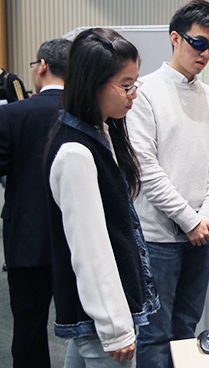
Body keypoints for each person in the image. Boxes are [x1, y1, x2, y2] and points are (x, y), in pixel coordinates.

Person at [43, 28, 158, 366]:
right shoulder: (76, 151)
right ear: (92, 81)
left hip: (97, 317)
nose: (133, 94)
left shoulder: (99, 130)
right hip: (101, 320)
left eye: (135, 83)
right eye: (125, 85)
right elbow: (90, 249)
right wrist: (116, 328)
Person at [126, 0, 209, 367]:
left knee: (188, 329)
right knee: (154, 334)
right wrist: (190, 220)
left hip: (203, 232)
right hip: (159, 238)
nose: (205, 54)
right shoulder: (144, 92)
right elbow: (145, 169)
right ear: (175, 38)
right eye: (198, 43)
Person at [0, 37, 70, 368]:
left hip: (26, 239)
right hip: (75, 239)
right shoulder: (87, 111)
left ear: (42, 66)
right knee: (86, 328)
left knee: (28, 327)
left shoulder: (12, 114)